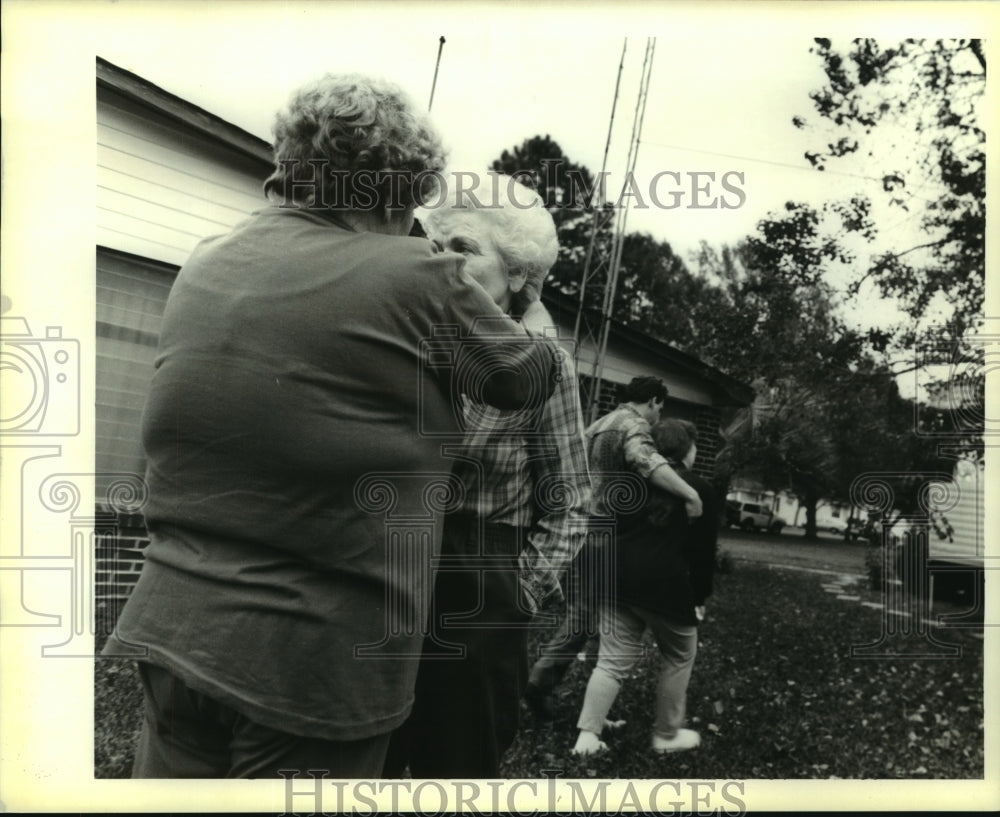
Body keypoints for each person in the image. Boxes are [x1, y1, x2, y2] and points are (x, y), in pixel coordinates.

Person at [102, 74, 555, 778]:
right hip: (313, 668)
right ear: (400, 191)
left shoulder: (204, 262)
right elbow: (527, 378)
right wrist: (526, 300)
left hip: (174, 634)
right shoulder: (420, 278)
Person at [383, 176, 592, 778]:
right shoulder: (404, 338)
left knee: (456, 759)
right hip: (387, 567)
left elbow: (572, 500)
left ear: (519, 275)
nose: (445, 260)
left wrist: (516, 594)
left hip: (478, 575)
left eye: (467, 248)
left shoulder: (540, 361)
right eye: (438, 243)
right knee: (366, 752)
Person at [523, 377, 703, 720]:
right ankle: (539, 683)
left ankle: (589, 701)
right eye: (659, 408)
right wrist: (690, 494)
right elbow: (646, 461)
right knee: (588, 618)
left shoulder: (598, 424)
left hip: (581, 530)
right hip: (605, 536)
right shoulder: (632, 425)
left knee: (597, 619)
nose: (657, 416)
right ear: (652, 401)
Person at [572, 418, 718, 755]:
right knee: (681, 654)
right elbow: (702, 552)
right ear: (688, 450)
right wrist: (699, 597)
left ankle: (587, 737)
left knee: (610, 661)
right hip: (666, 585)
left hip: (618, 577)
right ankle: (667, 735)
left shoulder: (630, 483)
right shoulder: (700, 490)